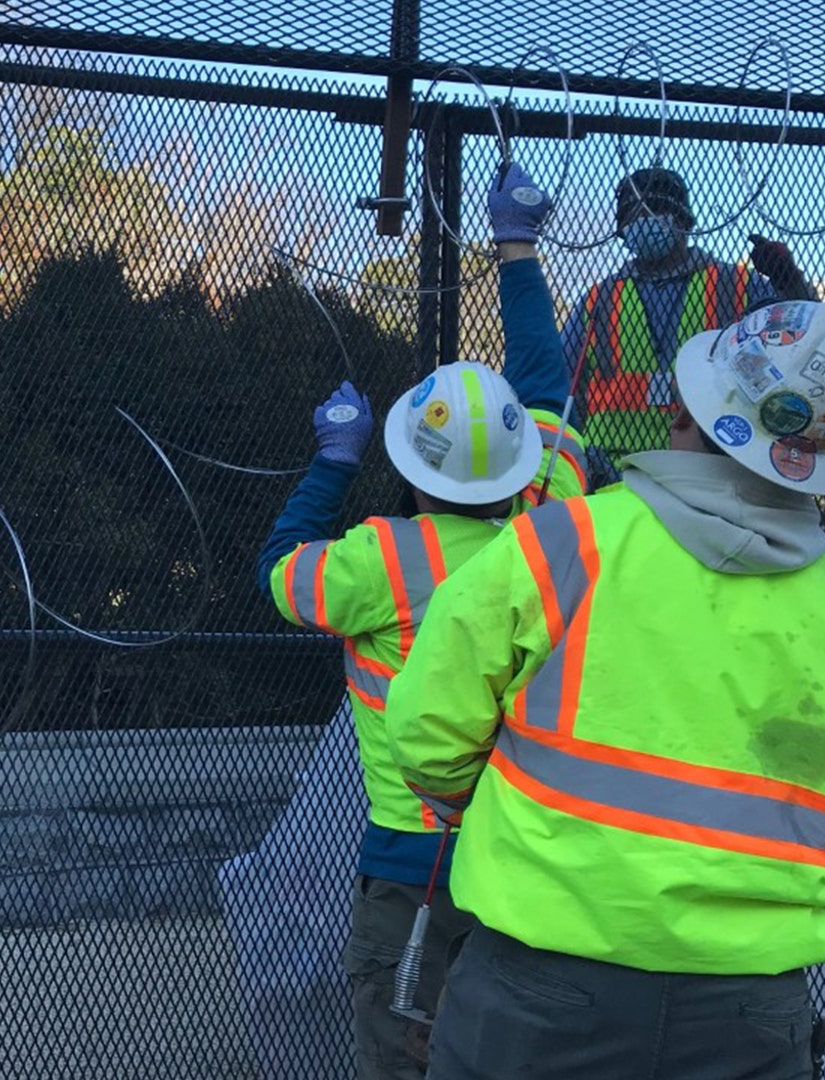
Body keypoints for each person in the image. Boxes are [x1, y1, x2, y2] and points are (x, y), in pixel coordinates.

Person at [386, 298, 825, 1079]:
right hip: (751, 1021)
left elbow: (429, 732)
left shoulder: (564, 542)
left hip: (539, 995)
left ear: (689, 414)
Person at [246, 164, 590, 1080]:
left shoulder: (380, 560)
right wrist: (517, 245)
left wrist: (331, 460)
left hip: (415, 856)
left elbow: (282, 574)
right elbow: (545, 382)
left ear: (409, 455)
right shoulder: (553, 522)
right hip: (528, 853)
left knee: (403, 1048)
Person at [564, 167, 815, 470]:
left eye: (656, 211)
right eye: (634, 215)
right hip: (614, 473)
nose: (644, 221)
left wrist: (787, 281)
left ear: (683, 220)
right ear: (623, 231)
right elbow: (563, 383)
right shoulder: (599, 300)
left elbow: (811, 339)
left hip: (713, 469)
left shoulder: (733, 285)